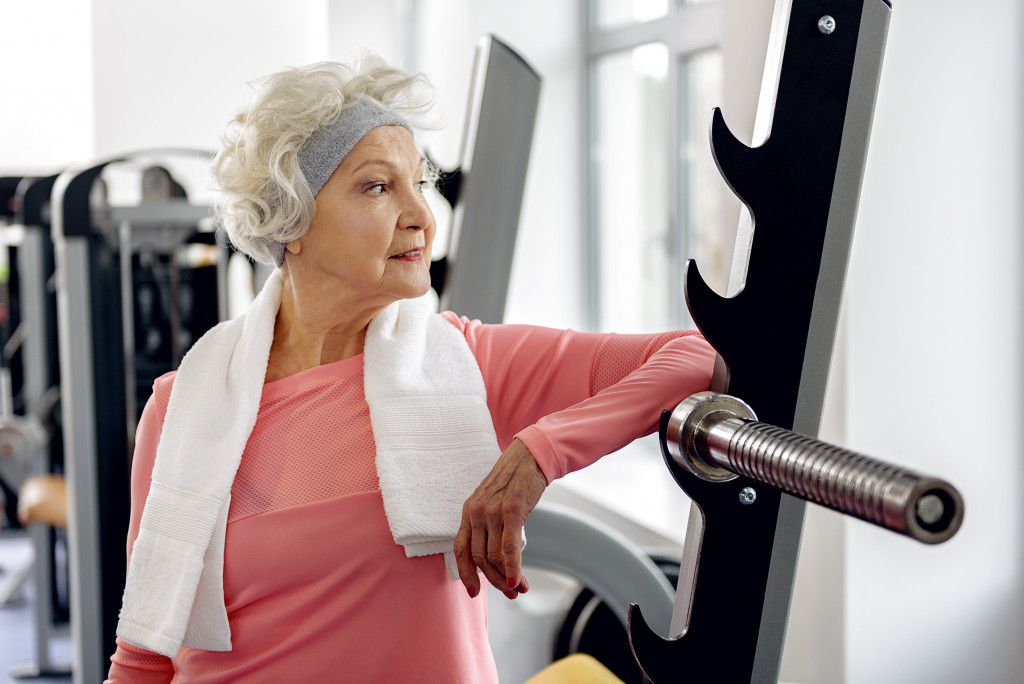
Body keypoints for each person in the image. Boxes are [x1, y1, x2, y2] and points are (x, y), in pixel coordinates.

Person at [105, 54, 715, 683]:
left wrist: (539, 453)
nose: (422, 215)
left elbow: (699, 356)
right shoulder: (184, 406)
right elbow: (146, 655)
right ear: (291, 221)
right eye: (377, 186)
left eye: (419, 183)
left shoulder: (464, 365)